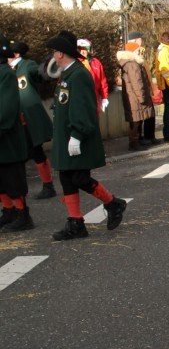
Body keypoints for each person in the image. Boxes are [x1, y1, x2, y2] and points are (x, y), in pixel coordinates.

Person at [46, 30, 127, 240]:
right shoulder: (69, 73)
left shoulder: (79, 75)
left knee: (79, 177)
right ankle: (76, 222)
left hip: (77, 136)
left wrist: (77, 134)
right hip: (68, 135)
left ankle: (113, 203)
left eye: (55, 51)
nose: (53, 55)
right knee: (67, 177)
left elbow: (82, 108)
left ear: (61, 54)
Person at [9, 41, 56, 199]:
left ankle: (48, 185)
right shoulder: (6, 69)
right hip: (14, 119)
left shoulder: (27, 65)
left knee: (36, 152)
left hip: (29, 119)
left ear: (16, 54)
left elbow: (39, 74)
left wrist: (47, 68)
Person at [0, 36, 34, 231]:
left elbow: (6, 107)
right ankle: (9, 211)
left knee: (12, 177)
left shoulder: (5, 73)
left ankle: (23, 214)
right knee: (1, 179)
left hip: (7, 136)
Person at [117, 39, 156, 151]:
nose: (139, 52)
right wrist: (142, 97)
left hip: (132, 96)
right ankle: (134, 142)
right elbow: (137, 82)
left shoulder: (128, 63)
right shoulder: (132, 65)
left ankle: (138, 140)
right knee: (136, 120)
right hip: (135, 96)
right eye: (138, 50)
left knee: (137, 119)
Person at [77, 38, 110, 114]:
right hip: (80, 100)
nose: (83, 51)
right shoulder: (74, 63)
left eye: (85, 49)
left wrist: (105, 97)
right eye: (80, 49)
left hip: (94, 99)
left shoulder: (96, 63)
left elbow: (102, 81)